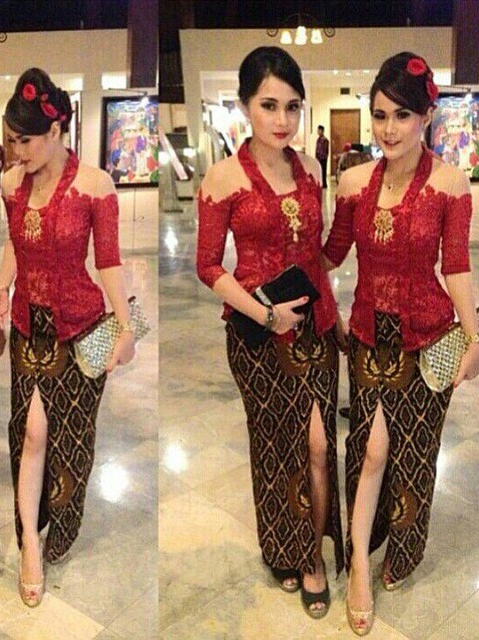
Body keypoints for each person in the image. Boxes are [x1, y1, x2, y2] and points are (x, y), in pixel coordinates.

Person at [323, 52, 479, 636]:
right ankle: (360, 562)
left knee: (416, 452)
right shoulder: (353, 182)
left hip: (430, 336)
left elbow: (455, 267)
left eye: (402, 116)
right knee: (369, 450)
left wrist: (475, 334)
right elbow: (331, 255)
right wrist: (282, 281)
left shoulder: (449, 183)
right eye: (380, 115)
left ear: (427, 116)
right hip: (370, 335)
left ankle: (405, 548)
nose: (389, 129)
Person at [196, 46, 344, 619]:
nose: (282, 119)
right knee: (275, 445)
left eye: (292, 106)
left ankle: (315, 554)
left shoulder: (309, 168)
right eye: (268, 105)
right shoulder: (223, 177)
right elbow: (208, 265)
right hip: (257, 336)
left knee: (318, 444)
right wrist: (265, 315)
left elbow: (317, 252)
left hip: (314, 329)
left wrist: (336, 311)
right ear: (244, 106)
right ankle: (285, 546)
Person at [0, 68, 136, 607]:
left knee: (73, 442)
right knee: (30, 432)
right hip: (30, 328)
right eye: (11, 140)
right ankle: (29, 540)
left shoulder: (94, 185)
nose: (16, 152)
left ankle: (61, 523)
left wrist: (125, 326)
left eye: (24, 141)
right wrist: (3, 285)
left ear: (56, 131)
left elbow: (109, 262)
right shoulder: (11, 184)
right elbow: (12, 243)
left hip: (83, 328)